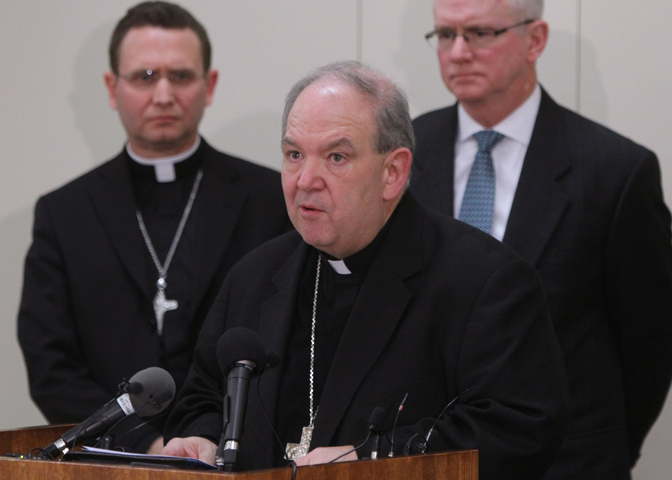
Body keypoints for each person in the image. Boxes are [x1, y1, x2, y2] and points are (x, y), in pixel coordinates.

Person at [161, 61, 567, 480]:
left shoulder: (485, 281)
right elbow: (204, 398)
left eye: (336, 156)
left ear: (392, 172)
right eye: (294, 154)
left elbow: (515, 430)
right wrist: (203, 439)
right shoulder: (255, 275)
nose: (306, 179)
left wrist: (369, 459)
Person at [409, 1, 672, 478]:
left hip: (568, 462)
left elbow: (650, 345)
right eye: (445, 35)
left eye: (481, 33)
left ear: (536, 40)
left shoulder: (614, 171)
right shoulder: (403, 155)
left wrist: (605, 447)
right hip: (425, 459)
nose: (459, 52)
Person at [17, 1, 290, 454]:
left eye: (180, 76)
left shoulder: (269, 200)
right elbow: (50, 363)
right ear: (111, 87)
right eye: (145, 77)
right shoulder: (65, 214)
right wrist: (145, 443)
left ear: (210, 84)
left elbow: (289, 340)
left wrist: (211, 436)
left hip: (238, 455)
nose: (163, 94)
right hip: (109, 459)